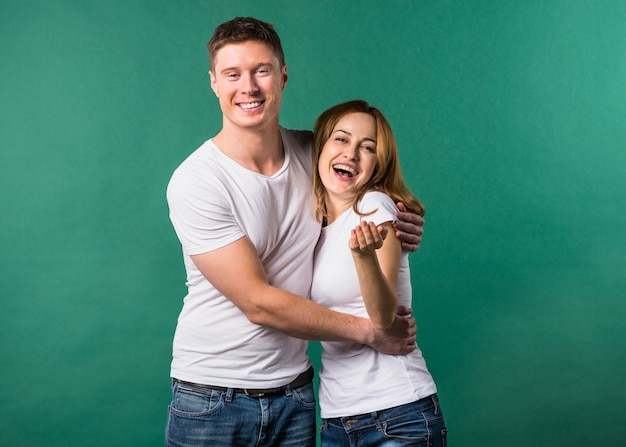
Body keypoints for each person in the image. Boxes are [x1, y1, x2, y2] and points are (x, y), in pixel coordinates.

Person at [165, 17, 425, 447]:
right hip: (212, 395)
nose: (247, 87)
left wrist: (405, 220)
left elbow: (370, 186)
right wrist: (370, 331)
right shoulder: (197, 181)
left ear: (283, 76)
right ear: (214, 82)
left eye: (261, 71)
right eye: (232, 74)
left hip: (296, 396)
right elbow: (258, 302)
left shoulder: (315, 154)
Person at [310, 100, 447, 446]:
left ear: (377, 164)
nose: (351, 154)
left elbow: (384, 317)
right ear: (320, 146)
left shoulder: (374, 207)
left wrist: (363, 256)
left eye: (367, 147)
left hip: (397, 414)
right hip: (336, 419)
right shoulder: (315, 225)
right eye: (341, 139)